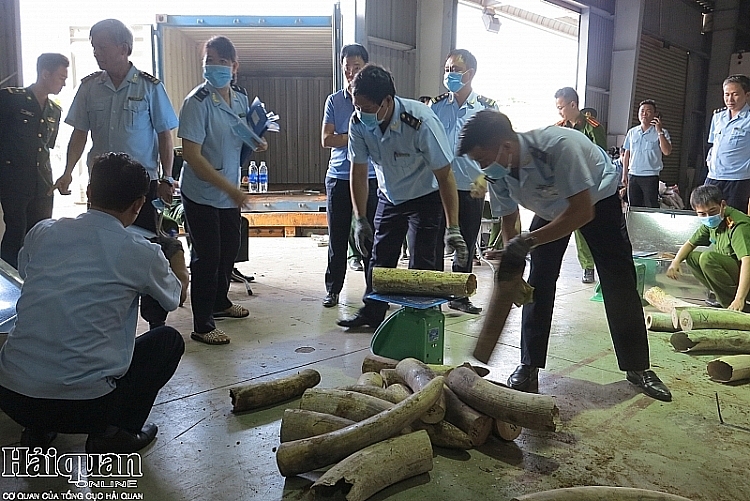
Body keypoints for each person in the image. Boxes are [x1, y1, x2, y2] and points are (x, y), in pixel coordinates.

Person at [459, 109, 672, 402]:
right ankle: (529, 364)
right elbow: (509, 218)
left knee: (618, 283)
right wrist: (514, 257)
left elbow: (582, 211)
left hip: (597, 199)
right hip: (550, 209)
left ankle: (638, 369)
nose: (482, 167)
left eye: (483, 160)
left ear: (506, 147)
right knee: (538, 284)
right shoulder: (496, 170)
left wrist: (529, 240)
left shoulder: (558, 147)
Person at [0, 153, 184, 452]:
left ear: (89, 192)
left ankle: (37, 430)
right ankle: (112, 435)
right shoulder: (140, 251)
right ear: (138, 205)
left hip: (11, 395)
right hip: (86, 408)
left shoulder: (43, 232)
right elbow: (174, 298)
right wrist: (176, 260)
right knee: (168, 340)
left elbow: (25, 274)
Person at [52, 19, 181, 328]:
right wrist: (68, 172)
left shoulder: (150, 86)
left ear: (123, 48)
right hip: (102, 185)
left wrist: (166, 178)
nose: (97, 52)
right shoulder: (89, 87)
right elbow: (79, 134)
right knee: (100, 251)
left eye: (103, 46)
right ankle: (104, 316)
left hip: (141, 185)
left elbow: (165, 135)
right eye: (94, 46)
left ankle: (155, 322)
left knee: (149, 248)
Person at [337, 64, 469, 328]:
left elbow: (445, 176)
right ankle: (372, 312)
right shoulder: (358, 123)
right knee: (379, 257)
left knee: (422, 263)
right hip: (390, 195)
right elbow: (359, 171)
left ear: (387, 101)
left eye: (366, 108)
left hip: (425, 197)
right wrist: (360, 217)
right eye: (356, 106)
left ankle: (418, 320)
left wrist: (453, 227)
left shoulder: (421, 122)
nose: (360, 113)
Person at [178, 35, 266, 344]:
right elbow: (191, 155)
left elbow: (240, 135)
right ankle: (202, 324)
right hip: (202, 190)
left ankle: (220, 303)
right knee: (207, 256)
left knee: (229, 248)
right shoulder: (196, 102)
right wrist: (230, 188)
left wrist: (256, 141)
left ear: (234, 67)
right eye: (209, 62)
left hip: (229, 189)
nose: (215, 67)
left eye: (221, 62)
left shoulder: (240, 98)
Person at [430, 48, 498, 314]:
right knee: (434, 241)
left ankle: (459, 295)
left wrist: (485, 177)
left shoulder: (486, 109)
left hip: (471, 187)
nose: (449, 75)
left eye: (454, 70)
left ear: (470, 73)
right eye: (447, 70)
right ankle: (433, 292)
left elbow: (496, 148)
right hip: (438, 188)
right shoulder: (435, 107)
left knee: (466, 243)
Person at [321, 43, 378, 308]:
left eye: (357, 68)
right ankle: (333, 289)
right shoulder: (334, 101)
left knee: (370, 237)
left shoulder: (377, 100)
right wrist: (354, 137)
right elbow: (326, 139)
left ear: (366, 67)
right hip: (339, 178)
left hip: (369, 179)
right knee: (338, 238)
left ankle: (375, 292)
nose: (351, 73)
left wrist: (346, 138)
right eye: (347, 69)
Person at [0, 53, 68, 268]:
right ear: (45, 74)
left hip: (42, 184)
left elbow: (46, 148)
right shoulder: (11, 99)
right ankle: (8, 286)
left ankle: (33, 282)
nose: (64, 84)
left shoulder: (54, 110)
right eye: (61, 77)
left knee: (39, 235)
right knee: (15, 234)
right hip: (14, 181)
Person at [667, 185, 750, 311]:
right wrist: (675, 262)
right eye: (702, 214)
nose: (708, 217)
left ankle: (734, 304)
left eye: (712, 212)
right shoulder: (711, 222)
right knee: (692, 257)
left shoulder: (738, 225)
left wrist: (739, 298)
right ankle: (724, 299)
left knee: (707, 258)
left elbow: (747, 261)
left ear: (723, 205)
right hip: (735, 276)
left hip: (746, 279)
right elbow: (690, 243)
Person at [554, 87, 602, 284]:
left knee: (595, 225)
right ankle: (587, 267)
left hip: (592, 183)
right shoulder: (559, 127)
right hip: (569, 184)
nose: (559, 112)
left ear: (573, 105)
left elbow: (600, 156)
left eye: (561, 107)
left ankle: (601, 263)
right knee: (577, 226)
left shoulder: (592, 126)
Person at [705, 74, 750, 212]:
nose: (730, 99)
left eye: (735, 94)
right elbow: (713, 145)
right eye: (726, 94)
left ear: (747, 95)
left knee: (733, 219)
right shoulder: (718, 117)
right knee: (708, 214)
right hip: (713, 176)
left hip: (738, 179)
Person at [622, 99, 672, 208]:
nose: (644, 114)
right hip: (633, 175)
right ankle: (634, 226)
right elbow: (627, 154)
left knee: (650, 207)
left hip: (650, 176)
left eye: (648, 111)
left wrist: (659, 131)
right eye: (642, 111)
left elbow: (667, 151)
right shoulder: (632, 132)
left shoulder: (662, 132)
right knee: (633, 208)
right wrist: (624, 173)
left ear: (655, 115)